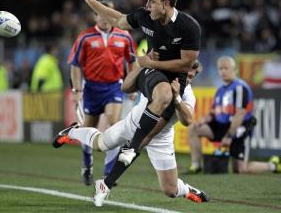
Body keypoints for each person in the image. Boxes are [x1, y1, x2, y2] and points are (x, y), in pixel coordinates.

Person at [81, 0, 201, 188]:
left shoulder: (189, 26)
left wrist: (147, 62)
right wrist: (91, 0)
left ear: (165, 4)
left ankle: (131, 150)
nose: (147, 6)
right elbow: (118, 19)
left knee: (169, 189)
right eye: (147, 1)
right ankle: (115, 171)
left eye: (151, 2)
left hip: (170, 77)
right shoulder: (145, 16)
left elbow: (186, 64)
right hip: (152, 73)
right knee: (132, 88)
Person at [53, 60, 209, 206]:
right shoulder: (160, 78)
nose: (186, 79)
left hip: (161, 138)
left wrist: (176, 98)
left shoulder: (187, 94)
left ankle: (188, 190)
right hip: (131, 124)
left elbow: (187, 119)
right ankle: (72, 132)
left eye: (190, 76)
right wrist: (142, 64)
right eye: (185, 74)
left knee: (170, 190)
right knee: (100, 144)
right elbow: (127, 85)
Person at [67, 0, 137, 185]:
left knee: (115, 125)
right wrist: (76, 90)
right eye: (101, 14)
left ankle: (108, 174)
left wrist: (133, 85)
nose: (105, 18)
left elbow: (132, 62)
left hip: (114, 86)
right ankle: (87, 165)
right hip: (91, 89)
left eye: (108, 14)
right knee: (88, 129)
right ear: (95, 16)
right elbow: (75, 65)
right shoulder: (85, 37)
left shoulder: (125, 36)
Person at [187, 56, 281, 174]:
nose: (223, 71)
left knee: (241, 169)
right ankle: (196, 165)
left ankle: (273, 165)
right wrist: (204, 119)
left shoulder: (240, 88)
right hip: (222, 126)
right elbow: (214, 113)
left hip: (239, 128)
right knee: (194, 128)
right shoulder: (220, 90)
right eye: (220, 69)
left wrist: (229, 136)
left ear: (234, 70)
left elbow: (240, 115)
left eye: (226, 68)